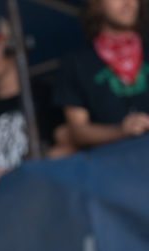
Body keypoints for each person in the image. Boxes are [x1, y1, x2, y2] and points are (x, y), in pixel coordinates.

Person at [0, 16, 74, 194]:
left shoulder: (44, 94)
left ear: (13, 45)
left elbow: (70, 148)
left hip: (48, 195)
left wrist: (20, 170)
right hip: (5, 207)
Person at [54, 0, 149, 148]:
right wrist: (121, 131)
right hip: (110, 164)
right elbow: (78, 131)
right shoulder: (76, 64)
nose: (128, 2)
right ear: (96, 4)